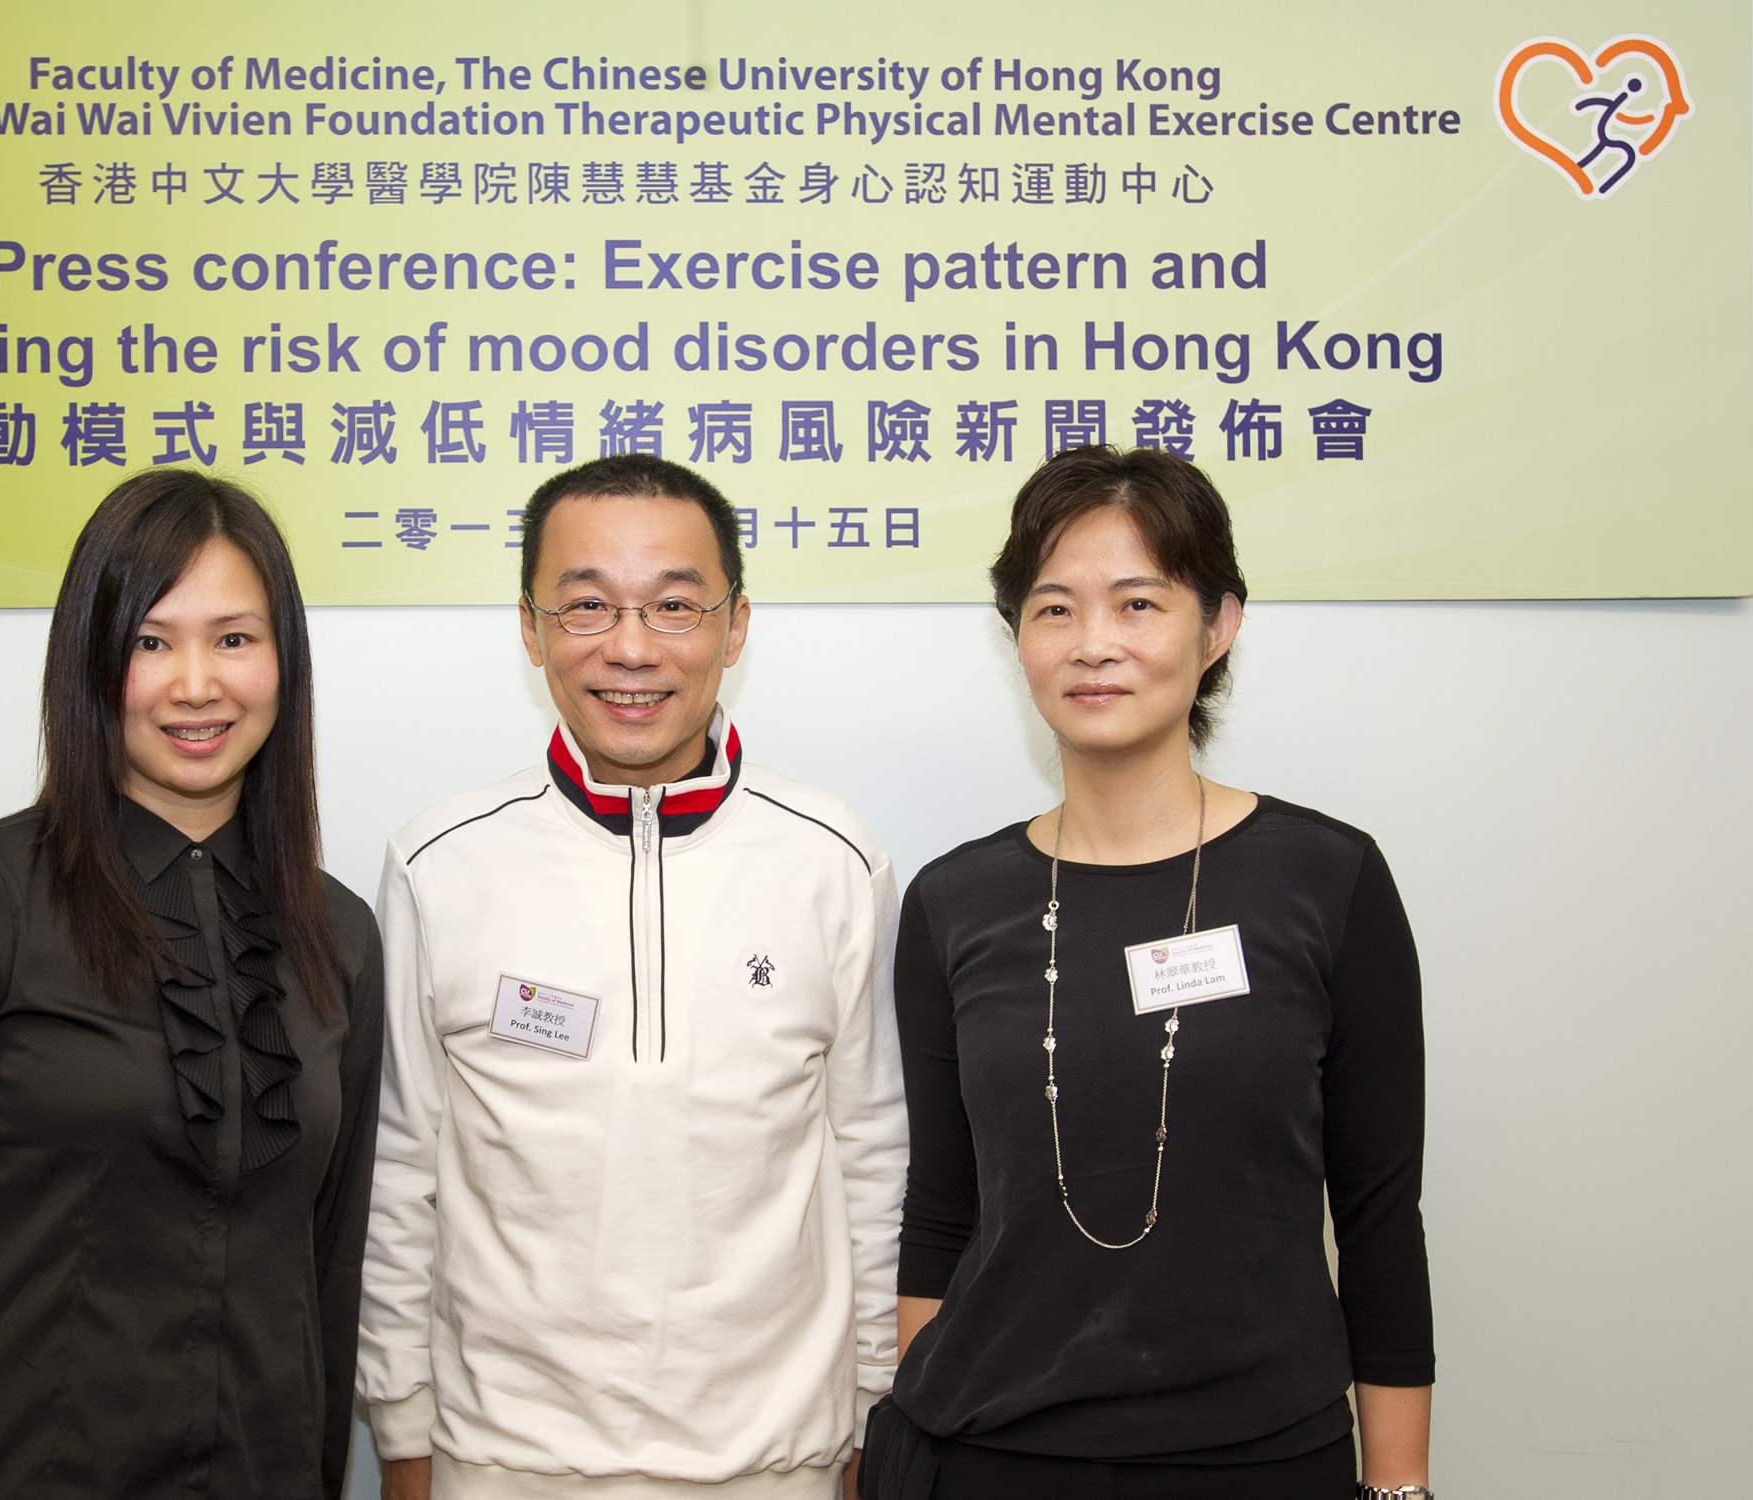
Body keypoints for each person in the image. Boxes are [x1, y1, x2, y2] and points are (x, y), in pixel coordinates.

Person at [870, 446, 1434, 1500]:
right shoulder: (953, 901)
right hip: (985, 1455)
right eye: (1053, 609)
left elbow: (1376, 1218)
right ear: (1017, 638)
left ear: (1216, 625)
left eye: (1138, 603)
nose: (1094, 645)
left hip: (1258, 1459)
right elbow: (941, 1214)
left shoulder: (1328, 879)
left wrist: (1399, 1489)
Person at [0, 470, 385, 1500]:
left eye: (234, 638)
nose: (196, 685)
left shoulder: (337, 933)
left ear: (283, 663)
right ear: (89, 661)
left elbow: (329, 1271)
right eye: (150, 641)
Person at [359, 454, 907, 1499]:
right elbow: (401, 1170)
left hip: (778, 1459)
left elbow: (871, 1157)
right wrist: (403, 1431)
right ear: (529, 628)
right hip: (503, 1461)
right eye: (586, 607)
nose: (629, 648)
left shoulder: (833, 858)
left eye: (673, 607)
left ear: (734, 625)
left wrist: (866, 1417)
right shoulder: (439, 862)